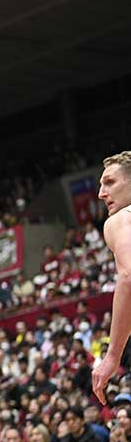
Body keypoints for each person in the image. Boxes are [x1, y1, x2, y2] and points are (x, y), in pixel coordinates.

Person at [94, 151, 131, 404]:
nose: (100, 193)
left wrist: (112, 356)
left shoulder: (120, 219)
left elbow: (129, 275)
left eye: (109, 182)